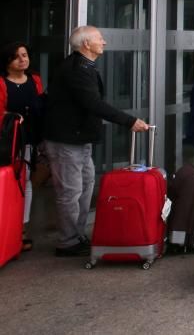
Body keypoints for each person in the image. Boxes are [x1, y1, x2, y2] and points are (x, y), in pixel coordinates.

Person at [45, 26, 149, 257]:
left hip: (79, 138)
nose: (104, 43)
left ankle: (77, 235)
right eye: (99, 39)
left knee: (84, 186)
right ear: (86, 45)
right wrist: (129, 121)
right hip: (67, 140)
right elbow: (93, 103)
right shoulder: (76, 69)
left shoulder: (84, 66)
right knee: (70, 191)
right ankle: (68, 241)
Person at [1, 41, 45, 252]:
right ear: (7, 60)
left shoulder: (34, 80)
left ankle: (22, 227)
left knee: (26, 181)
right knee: (8, 179)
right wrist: (10, 116)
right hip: (8, 140)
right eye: (17, 56)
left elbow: (40, 108)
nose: (22, 59)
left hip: (29, 139)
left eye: (25, 55)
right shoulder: (2, 82)